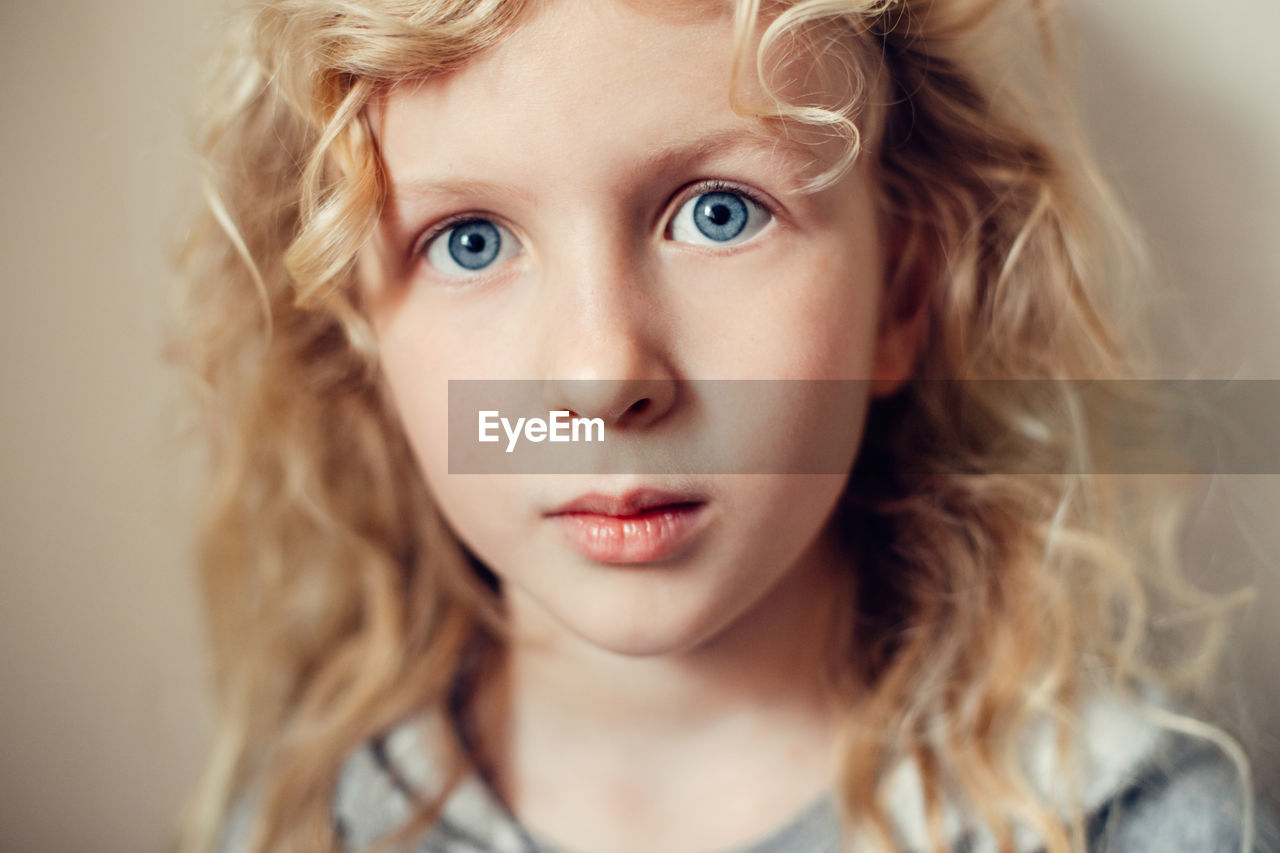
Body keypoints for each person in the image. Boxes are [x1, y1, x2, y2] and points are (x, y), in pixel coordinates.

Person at [173, 0, 1276, 851]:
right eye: (468, 240)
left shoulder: (1126, 822)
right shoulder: (311, 820)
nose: (603, 377)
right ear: (361, 331)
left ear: (899, 293)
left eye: (718, 211)